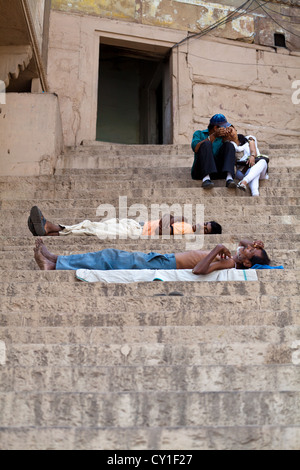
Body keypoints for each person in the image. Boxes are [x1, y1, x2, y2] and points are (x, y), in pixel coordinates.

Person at [33, 237, 270, 273]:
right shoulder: (235, 256)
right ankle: (55, 260)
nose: (245, 247)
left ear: (247, 262)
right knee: (111, 255)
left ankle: (55, 264)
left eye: (249, 251)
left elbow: (199, 271)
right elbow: (242, 243)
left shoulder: (229, 262)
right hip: (164, 259)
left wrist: (217, 249)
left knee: (111, 256)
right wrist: (254, 243)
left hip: (166, 265)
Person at [27, 206, 222, 237]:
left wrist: (172, 217)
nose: (203, 226)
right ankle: (50, 232)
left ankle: (50, 228)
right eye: (206, 223)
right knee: (93, 226)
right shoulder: (187, 225)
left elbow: (162, 230)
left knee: (93, 228)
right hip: (136, 225)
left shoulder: (187, 232)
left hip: (136, 233)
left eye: (206, 230)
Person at [191, 113, 237, 189]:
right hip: (200, 172)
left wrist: (230, 136)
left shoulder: (222, 137)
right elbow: (195, 148)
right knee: (206, 143)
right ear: (215, 128)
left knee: (229, 145)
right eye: (223, 127)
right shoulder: (199, 134)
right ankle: (206, 179)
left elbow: (237, 145)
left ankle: (229, 178)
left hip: (218, 171)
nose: (225, 128)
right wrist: (213, 136)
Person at [225, 125, 269, 197]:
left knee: (263, 162)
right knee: (254, 171)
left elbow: (253, 149)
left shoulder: (249, 138)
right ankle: (255, 193)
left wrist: (252, 156)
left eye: (231, 130)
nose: (231, 133)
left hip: (259, 167)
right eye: (228, 133)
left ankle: (244, 181)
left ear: (235, 130)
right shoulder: (230, 146)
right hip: (243, 171)